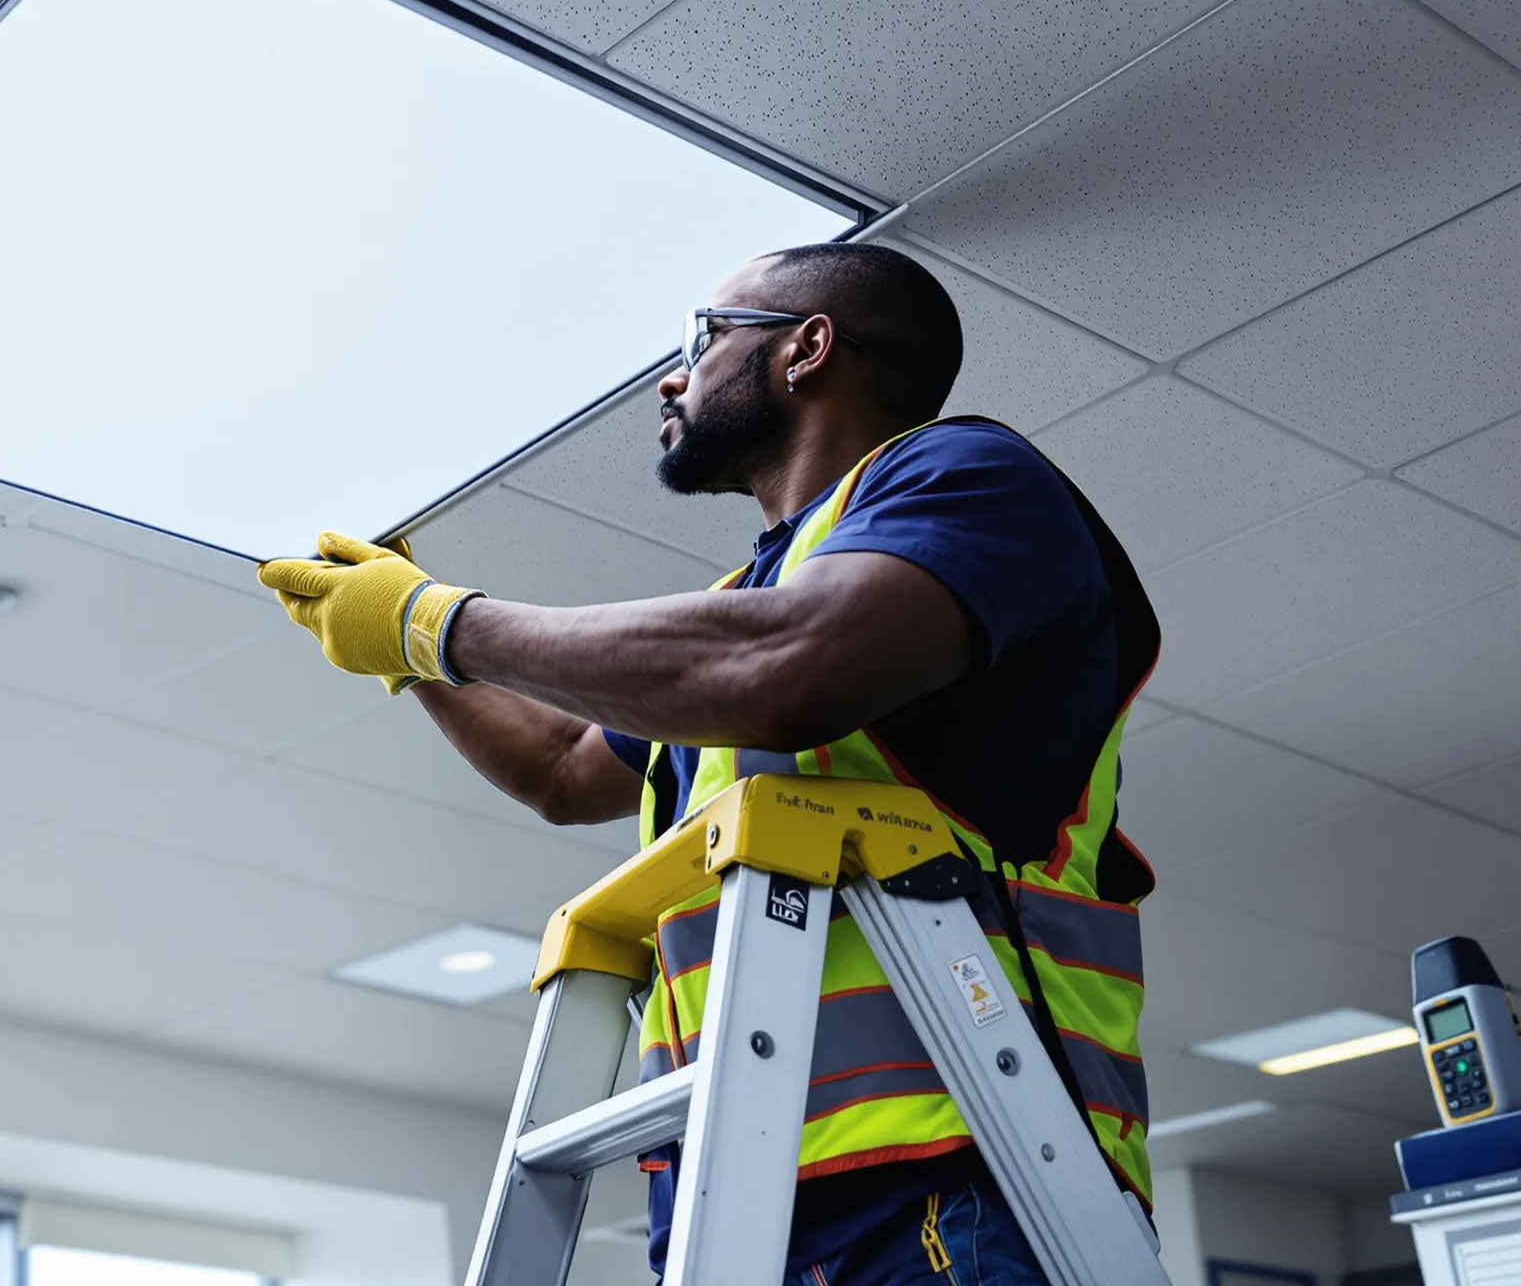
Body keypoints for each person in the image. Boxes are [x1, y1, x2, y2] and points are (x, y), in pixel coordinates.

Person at [257, 243, 1158, 1286]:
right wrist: (409, 650)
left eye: (703, 337)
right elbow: (560, 766)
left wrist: (437, 625)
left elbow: (788, 663)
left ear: (807, 348)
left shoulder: (963, 475)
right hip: (740, 1189)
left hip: (964, 1164)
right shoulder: (748, 604)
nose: (672, 378)